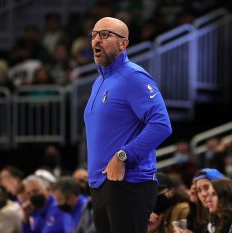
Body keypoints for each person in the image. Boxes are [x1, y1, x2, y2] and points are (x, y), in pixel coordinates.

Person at [84, 17, 172, 233]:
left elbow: (161, 124)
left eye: (105, 35)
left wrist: (124, 156)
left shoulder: (134, 76)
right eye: (94, 34)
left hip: (129, 182)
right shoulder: (99, 81)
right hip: (100, 185)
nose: (97, 39)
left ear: (123, 43)